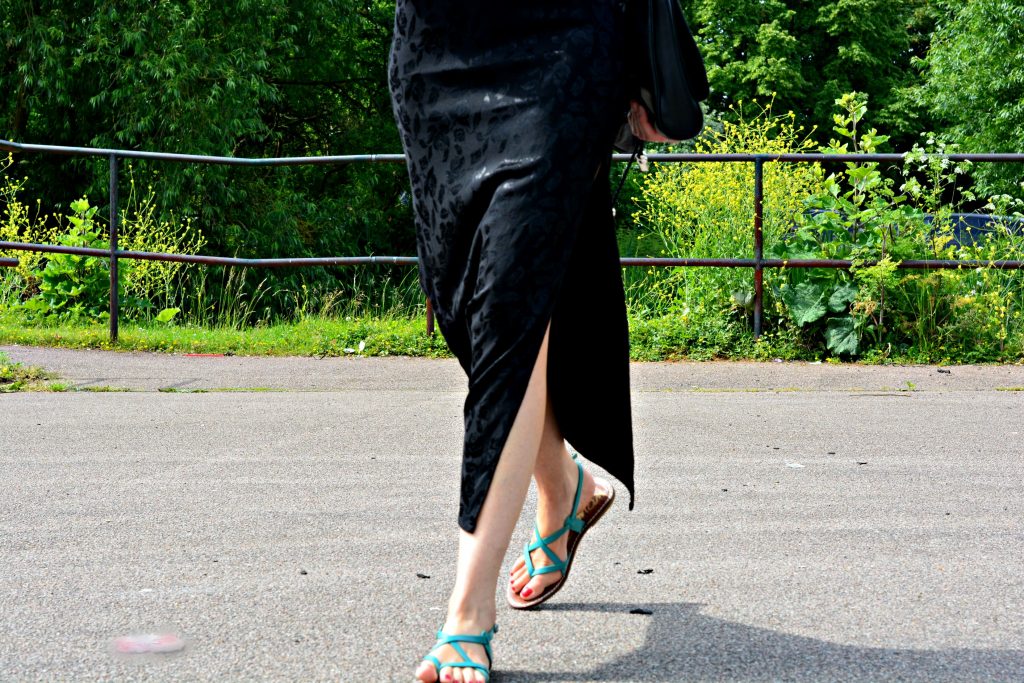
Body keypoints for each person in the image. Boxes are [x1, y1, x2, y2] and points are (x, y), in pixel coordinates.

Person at [388, 2, 669, 680]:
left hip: (564, 42)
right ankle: (562, 485)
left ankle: (468, 613)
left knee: (511, 313)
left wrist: (644, 57)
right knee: (469, 316)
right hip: (438, 48)